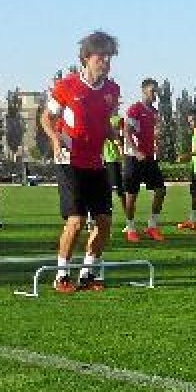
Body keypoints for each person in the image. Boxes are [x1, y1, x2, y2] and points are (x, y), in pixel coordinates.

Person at [39, 31, 121, 293]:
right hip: (69, 160)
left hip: (96, 162)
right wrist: (54, 138)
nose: (106, 62)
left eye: (109, 57)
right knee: (75, 221)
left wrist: (115, 138)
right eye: (101, 57)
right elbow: (45, 118)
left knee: (105, 222)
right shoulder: (67, 86)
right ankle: (61, 276)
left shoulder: (112, 90)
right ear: (86, 58)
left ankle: (87, 273)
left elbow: (104, 124)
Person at [120, 79, 167, 243]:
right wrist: (135, 150)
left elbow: (153, 134)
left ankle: (152, 226)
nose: (155, 94)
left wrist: (156, 145)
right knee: (132, 195)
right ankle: (131, 227)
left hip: (149, 158)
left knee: (160, 190)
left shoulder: (154, 112)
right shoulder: (135, 109)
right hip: (133, 157)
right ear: (144, 91)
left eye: (157, 91)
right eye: (152, 91)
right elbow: (126, 131)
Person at [103, 114, 125, 200]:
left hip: (113, 159)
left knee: (117, 190)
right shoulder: (101, 118)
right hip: (104, 159)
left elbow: (120, 139)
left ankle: (128, 211)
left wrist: (123, 158)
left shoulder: (118, 119)